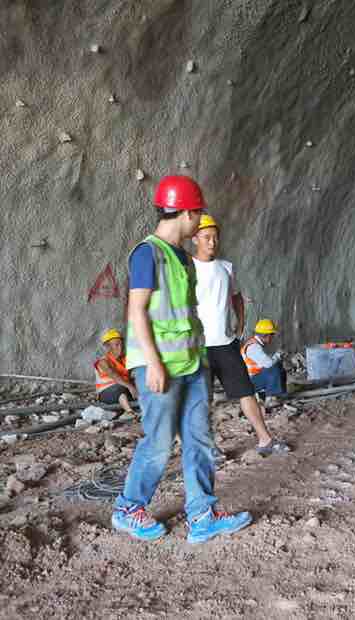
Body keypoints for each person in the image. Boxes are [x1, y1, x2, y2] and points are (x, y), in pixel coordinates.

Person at [112, 175, 252, 544]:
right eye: (199, 214)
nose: (201, 221)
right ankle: (127, 507)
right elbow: (137, 312)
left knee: (200, 440)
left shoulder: (184, 260)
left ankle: (202, 515)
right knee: (158, 443)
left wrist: (202, 362)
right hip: (159, 368)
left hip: (191, 366)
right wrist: (154, 364)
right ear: (186, 212)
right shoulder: (149, 253)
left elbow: (185, 315)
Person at [192, 214, 288, 456]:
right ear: (195, 239)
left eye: (215, 237)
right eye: (206, 237)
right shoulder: (188, 270)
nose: (212, 242)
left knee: (246, 391)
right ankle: (209, 449)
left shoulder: (226, 267)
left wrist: (241, 321)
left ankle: (265, 440)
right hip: (199, 346)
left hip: (225, 344)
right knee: (204, 400)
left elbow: (236, 296)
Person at [94, 328, 138, 416]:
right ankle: (130, 412)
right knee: (119, 389)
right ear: (108, 347)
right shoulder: (103, 361)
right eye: (117, 345)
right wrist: (130, 386)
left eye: (122, 344)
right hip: (107, 393)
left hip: (126, 389)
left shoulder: (125, 359)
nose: (120, 348)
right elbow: (114, 375)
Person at [241, 319, 288, 400]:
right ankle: (270, 397)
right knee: (273, 367)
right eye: (272, 334)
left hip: (251, 379)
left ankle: (279, 393)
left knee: (278, 366)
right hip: (249, 383)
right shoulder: (254, 347)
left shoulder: (255, 343)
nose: (272, 337)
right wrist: (278, 355)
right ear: (266, 335)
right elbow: (268, 364)